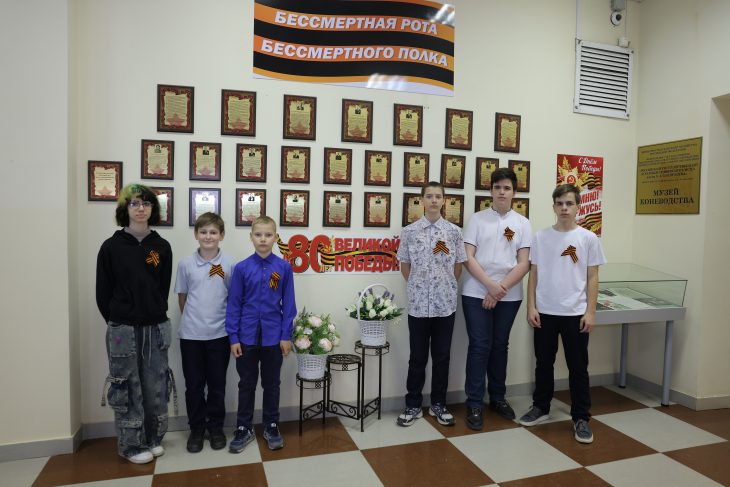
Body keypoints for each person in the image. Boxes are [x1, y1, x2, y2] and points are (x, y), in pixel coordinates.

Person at [518, 183, 606, 444]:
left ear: (578, 206)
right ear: (554, 207)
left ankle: (581, 417)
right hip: (545, 311)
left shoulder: (588, 238)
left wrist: (590, 312)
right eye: (560, 204)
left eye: (569, 203)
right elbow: (533, 274)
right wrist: (531, 306)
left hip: (575, 312)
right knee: (543, 363)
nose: (564, 208)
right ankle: (541, 407)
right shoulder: (540, 237)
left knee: (578, 367)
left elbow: (592, 277)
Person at [97, 184, 175, 464]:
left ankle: (153, 438)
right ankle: (131, 445)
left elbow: (162, 288)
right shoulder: (111, 247)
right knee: (128, 385)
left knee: (155, 383)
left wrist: (151, 311)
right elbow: (103, 293)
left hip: (156, 326)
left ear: (153, 209)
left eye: (146, 203)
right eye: (134, 203)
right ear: (125, 209)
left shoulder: (162, 247)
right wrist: (120, 319)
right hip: (123, 328)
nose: (141, 208)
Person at [461, 168, 532, 430]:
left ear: (514, 192)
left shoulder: (522, 223)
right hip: (476, 291)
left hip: (509, 295)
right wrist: (490, 286)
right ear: (490, 190)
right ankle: (474, 403)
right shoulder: (477, 220)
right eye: (497, 187)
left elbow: (524, 263)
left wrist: (500, 288)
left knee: (500, 345)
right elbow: (467, 257)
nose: (502, 192)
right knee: (480, 345)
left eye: (507, 188)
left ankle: (498, 398)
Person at [396, 181, 467, 427]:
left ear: (444, 200)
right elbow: (405, 266)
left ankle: (438, 404)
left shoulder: (454, 232)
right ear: (422, 200)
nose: (434, 200)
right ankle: (413, 404)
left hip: (444, 306)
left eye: (438, 196)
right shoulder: (409, 232)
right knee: (417, 357)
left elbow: (457, 267)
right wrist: (419, 286)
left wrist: (443, 287)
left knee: (442, 356)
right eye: (429, 196)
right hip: (418, 306)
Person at [226, 216, 296, 452]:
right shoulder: (242, 268)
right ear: (251, 237)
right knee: (246, 384)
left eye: (268, 235)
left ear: (275, 238)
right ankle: (243, 427)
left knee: (271, 384)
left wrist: (286, 336)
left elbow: (289, 305)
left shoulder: (284, 268)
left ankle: (271, 425)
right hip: (246, 337)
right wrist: (233, 337)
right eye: (258, 235)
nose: (263, 239)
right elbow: (234, 304)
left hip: (273, 337)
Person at [175, 212, 235, 453]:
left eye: (213, 232)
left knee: (217, 385)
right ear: (196, 234)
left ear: (221, 235)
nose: (208, 236)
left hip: (220, 335)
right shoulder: (185, 264)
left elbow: (233, 298)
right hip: (191, 337)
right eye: (203, 232)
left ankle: (216, 428)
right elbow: (182, 297)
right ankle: (197, 429)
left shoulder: (230, 264)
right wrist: (193, 321)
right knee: (194, 386)